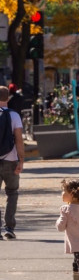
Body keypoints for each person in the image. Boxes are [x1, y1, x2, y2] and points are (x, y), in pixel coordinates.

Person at [0, 86, 24, 240]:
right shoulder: (14, 116)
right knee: (12, 193)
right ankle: (9, 227)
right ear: (8, 98)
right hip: (10, 159)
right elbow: (19, 140)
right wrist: (21, 160)